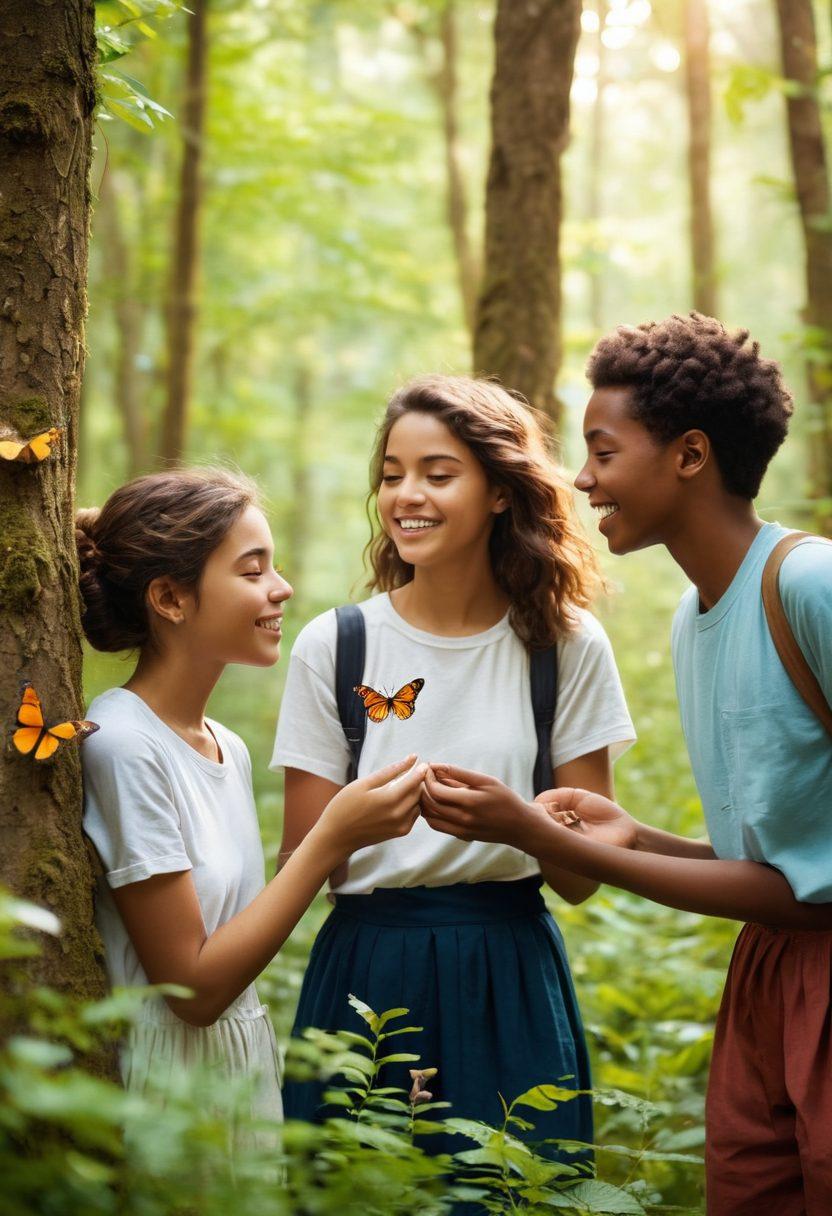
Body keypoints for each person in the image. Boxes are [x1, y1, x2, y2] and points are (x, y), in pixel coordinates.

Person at [420, 315, 832, 1215]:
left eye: (602, 452)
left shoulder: (810, 587)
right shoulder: (696, 616)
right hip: (768, 975)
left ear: (689, 455)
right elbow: (792, 871)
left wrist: (539, 833)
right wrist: (640, 836)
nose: (581, 478)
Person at [271, 375, 635, 1158]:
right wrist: (347, 830)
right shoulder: (336, 647)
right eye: (393, 474)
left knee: (511, 1194)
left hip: (510, 978)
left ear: (501, 491)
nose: (408, 495)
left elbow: (583, 876)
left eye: (438, 474)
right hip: (367, 970)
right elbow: (297, 865)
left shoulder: (564, 646)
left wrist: (523, 824)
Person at [78, 468, 426, 1127]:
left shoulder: (225, 746)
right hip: (167, 1092)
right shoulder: (123, 742)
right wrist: (331, 838)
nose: (281, 588)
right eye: (252, 570)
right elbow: (193, 989)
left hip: (236, 1073)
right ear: (170, 599)